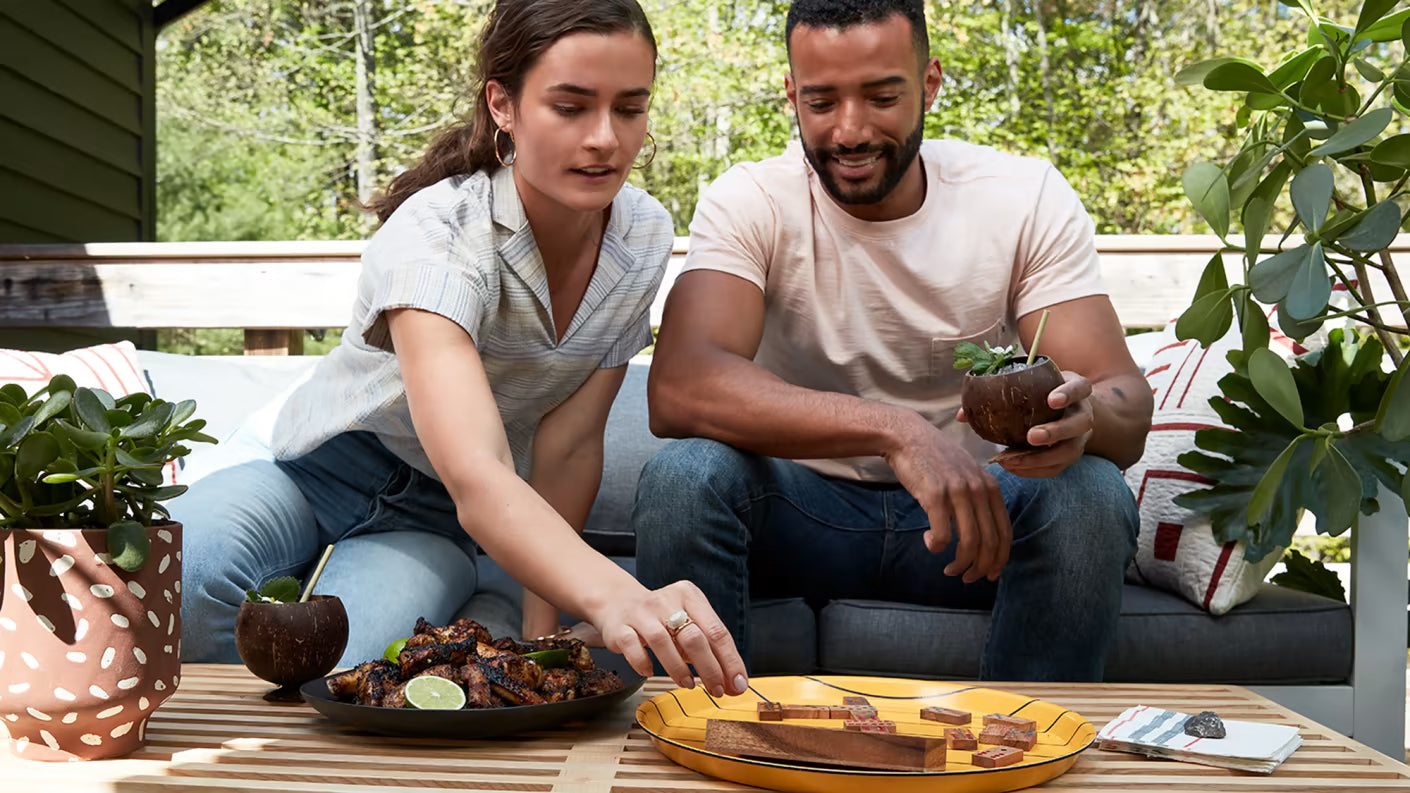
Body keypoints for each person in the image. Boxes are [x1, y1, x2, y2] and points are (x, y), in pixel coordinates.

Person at [174, 0, 748, 699]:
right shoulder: (440, 234)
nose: (605, 138)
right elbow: (480, 470)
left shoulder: (642, 240)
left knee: (342, 673)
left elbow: (567, 448)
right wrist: (616, 594)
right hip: (316, 466)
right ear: (502, 104)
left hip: (433, 516)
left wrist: (547, 636)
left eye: (630, 108)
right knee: (191, 564)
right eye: (571, 106)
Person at [633, 0, 1153, 682]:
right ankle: (708, 747)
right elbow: (678, 387)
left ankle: (1025, 755)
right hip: (798, 513)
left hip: (974, 524)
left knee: (1092, 491)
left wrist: (1084, 420)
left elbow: (1124, 402)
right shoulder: (751, 198)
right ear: (792, 94)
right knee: (683, 476)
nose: (849, 130)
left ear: (930, 84)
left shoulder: (1022, 197)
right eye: (821, 102)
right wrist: (895, 430)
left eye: (882, 97)